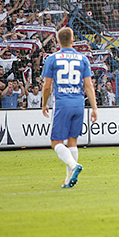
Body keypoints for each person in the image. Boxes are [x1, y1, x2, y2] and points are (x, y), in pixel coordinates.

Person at [41, 27, 98, 188]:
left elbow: (47, 87)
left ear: (57, 41)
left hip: (63, 103)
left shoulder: (52, 59)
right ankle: (69, 179)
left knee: (56, 142)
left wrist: (44, 103)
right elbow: (89, 86)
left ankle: (74, 167)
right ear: (73, 40)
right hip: (78, 103)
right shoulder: (83, 59)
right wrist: (94, 108)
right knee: (73, 141)